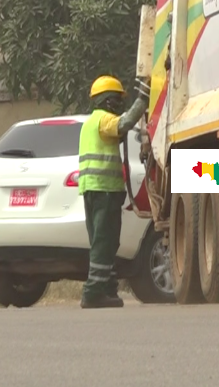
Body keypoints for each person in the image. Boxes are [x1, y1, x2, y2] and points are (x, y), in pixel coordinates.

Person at [78, 75, 148, 309]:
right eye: (118, 100)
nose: (119, 105)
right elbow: (125, 123)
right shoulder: (104, 120)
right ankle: (93, 292)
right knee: (104, 241)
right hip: (104, 190)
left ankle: (106, 288)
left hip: (92, 190)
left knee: (102, 240)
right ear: (108, 101)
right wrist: (142, 101)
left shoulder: (90, 123)